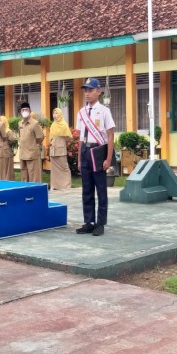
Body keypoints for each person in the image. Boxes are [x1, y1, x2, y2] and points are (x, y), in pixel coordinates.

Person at [75, 78, 115, 236]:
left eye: (90, 90)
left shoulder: (104, 111)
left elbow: (111, 136)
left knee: (101, 190)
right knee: (87, 189)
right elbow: (80, 138)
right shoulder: (81, 112)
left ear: (99, 91)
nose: (87, 93)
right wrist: (78, 158)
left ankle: (100, 223)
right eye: (86, 90)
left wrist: (108, 158)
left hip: (98, 153)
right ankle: (89, 222)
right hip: (85, 152)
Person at [18, 102, 44, 183]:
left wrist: (34, 146)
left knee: (34, 175)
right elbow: (20, 136)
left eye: (26, 109)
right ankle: (25, 190)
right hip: (23, 153)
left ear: (30, 111)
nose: (24, 111)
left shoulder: (35, 123)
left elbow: (40, 137)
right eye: (23, 110)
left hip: (32, 153)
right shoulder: (20, 123)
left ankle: (35, 191)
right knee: (24, 175)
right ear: (20, 112)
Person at [49, 108, 72, 190]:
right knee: (54, 169)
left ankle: (66, 185)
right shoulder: (53, 125)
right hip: (53, 149)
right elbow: (51, 137)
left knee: (64, 167)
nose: (54, 115)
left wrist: (62, 138)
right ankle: (55, 185)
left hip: (61, 149)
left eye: (56, 113)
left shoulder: (64, 124)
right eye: (53, 113)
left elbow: (69, 137)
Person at [0, 115, 16, 180]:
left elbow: (12, 140)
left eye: (1, 121)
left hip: (6, 152)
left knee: (7, 168)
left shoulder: (8, 131)